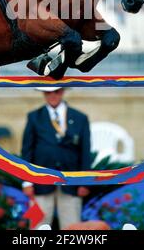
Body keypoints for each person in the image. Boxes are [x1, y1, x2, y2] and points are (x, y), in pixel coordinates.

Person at [21, 87, 91, 229]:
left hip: (71, 180)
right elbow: (27, 150)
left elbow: (85, 151)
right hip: (40, 180)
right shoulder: (34, 117)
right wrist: (27, 181)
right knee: (38, 224)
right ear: (43, 93)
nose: (52, 95)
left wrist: (85, 181)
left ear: (63, 91)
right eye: (48, 92)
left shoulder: (80, 118)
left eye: (57, 91)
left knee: (72, 224)